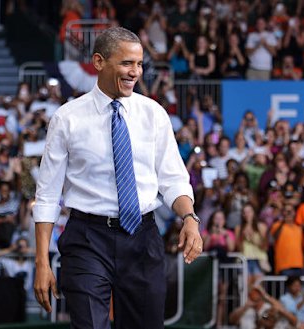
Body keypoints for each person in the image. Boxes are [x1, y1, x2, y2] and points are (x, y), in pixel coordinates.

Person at [32, 27, 202, 329]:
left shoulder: (154, 114)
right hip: (86, 239)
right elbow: (47, 196)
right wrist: (42, 262)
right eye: (126, 63)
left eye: (138, 64)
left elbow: (174, 180)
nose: (135, 71)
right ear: (99, 62)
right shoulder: (67, 119)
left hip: (143, 238)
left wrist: (189, 217)